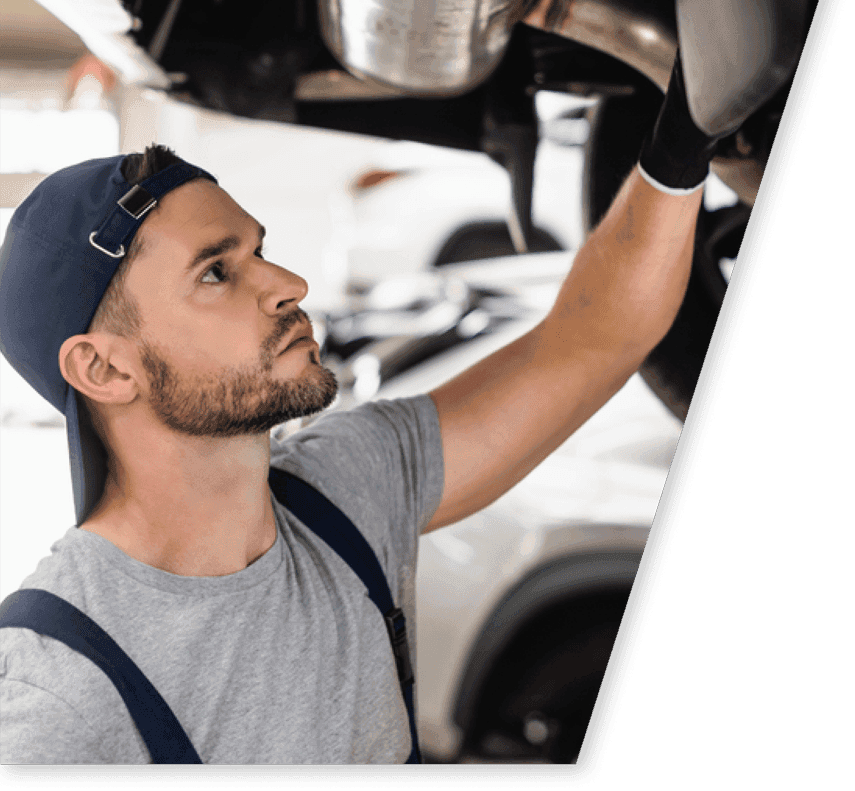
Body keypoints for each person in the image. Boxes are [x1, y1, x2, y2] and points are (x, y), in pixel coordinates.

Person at [0, 49, 727, 764]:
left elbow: (594, 337)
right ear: (102, 367)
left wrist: (684, 133)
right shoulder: (59, 695)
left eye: (261, 251)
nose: (288, 283)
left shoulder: (346, 490)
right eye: (217, 272)